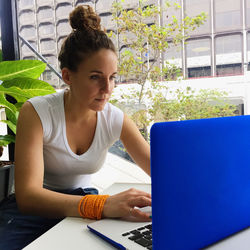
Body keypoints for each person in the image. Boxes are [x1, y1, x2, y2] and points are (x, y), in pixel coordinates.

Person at [0, 5, 151, 250]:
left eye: (112, 77)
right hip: (32, 209)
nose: (107, 88)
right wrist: (100, 205)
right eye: (95, 77)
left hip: (84, 198)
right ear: (68, 76)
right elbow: (28, 197)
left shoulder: (115, 119)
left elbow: (161, 170)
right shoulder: (37, 112)